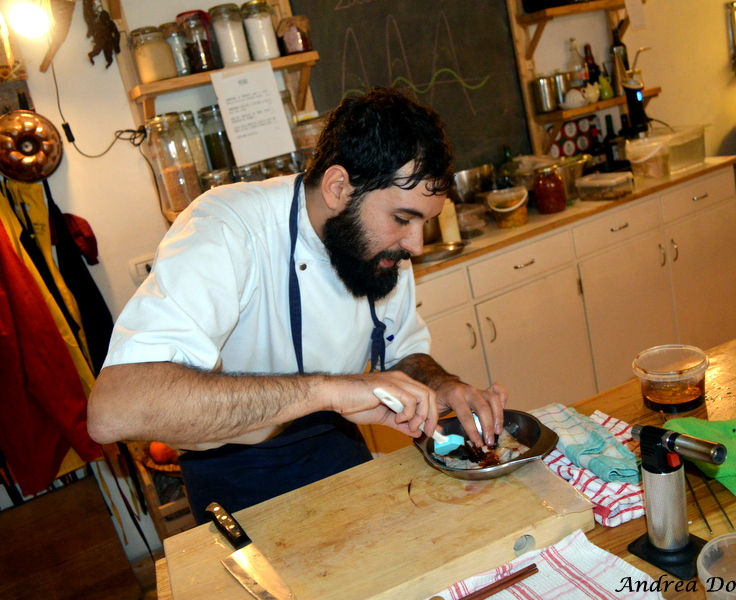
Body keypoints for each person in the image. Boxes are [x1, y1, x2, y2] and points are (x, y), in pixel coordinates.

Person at [87, 87, 507, 519]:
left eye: (424, 222)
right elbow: (113, 412)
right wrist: (328, 389)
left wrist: (442, 384)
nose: (415, 245)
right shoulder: (227, 228)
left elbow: (401, 351)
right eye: (402, 219)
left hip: (337, 448)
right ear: (339, 187)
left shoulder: (379, 248)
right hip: (234, 473)